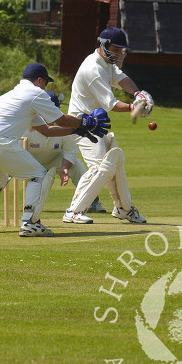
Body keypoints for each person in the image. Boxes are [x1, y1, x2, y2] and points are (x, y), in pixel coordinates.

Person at [0, 63, 109, 237]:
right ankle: (30, 223)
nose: (45, 87)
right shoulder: (36, 93)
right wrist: (85, 122)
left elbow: (46, 130)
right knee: (38, 174)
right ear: (39, 80)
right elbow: (61, 120)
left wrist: (76, 130)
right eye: (45, 83)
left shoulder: (13, 95)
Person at [62, 27, 153, 225]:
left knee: (115, 162)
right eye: (116, 49)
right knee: (98, 168)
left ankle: (123, 208)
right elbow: (110, 104)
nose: (119, 54)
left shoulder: (107, 63)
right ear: (102, 45)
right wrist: (133, 106)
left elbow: (121, 79)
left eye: (122, 50)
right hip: (81, 125)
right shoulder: (92, 69)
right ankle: (73, 210)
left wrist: (138, 94)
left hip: (97, 124)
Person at [25, 91, 107, 213]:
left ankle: (92, 201)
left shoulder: (65, 125)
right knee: (4, 167)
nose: (50, 116)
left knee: (78, 167)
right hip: (28, 161)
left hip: (53, 159)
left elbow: (70, 150)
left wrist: (64, 168)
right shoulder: (28, 125)